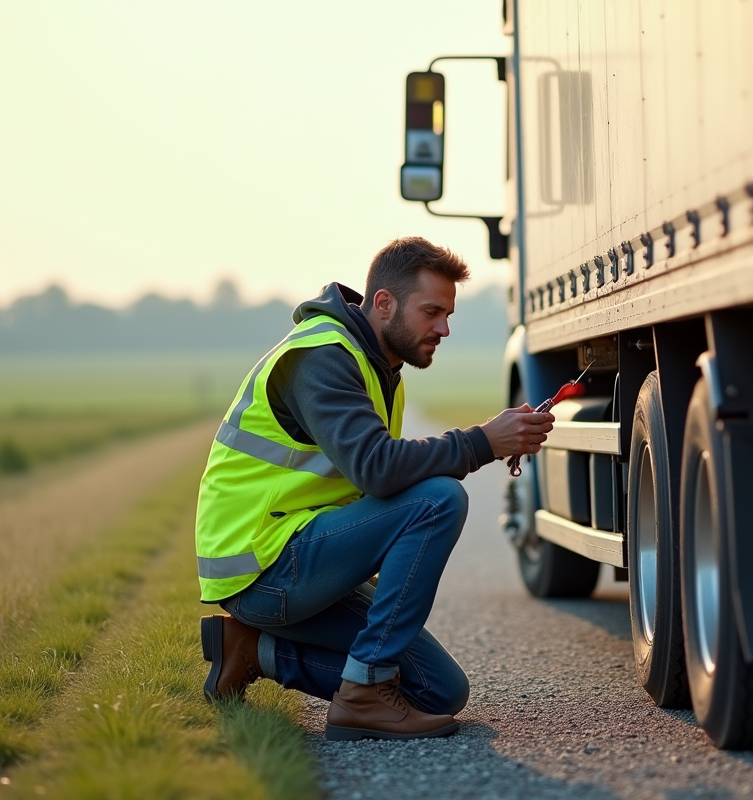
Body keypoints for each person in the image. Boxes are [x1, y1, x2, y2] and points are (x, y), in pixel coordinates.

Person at [194, 236, 555, 741]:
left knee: (439, 692)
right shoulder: (321, 356)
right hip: (263, 566)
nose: (444, 328)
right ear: (384, 303)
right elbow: (377, 469)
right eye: (432, 312)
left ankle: (252, 651)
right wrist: (481, 442)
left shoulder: (380, 368)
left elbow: (375, 489)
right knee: (439, 499)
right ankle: (365, 690)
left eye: (448, 315)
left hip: (301, 557)